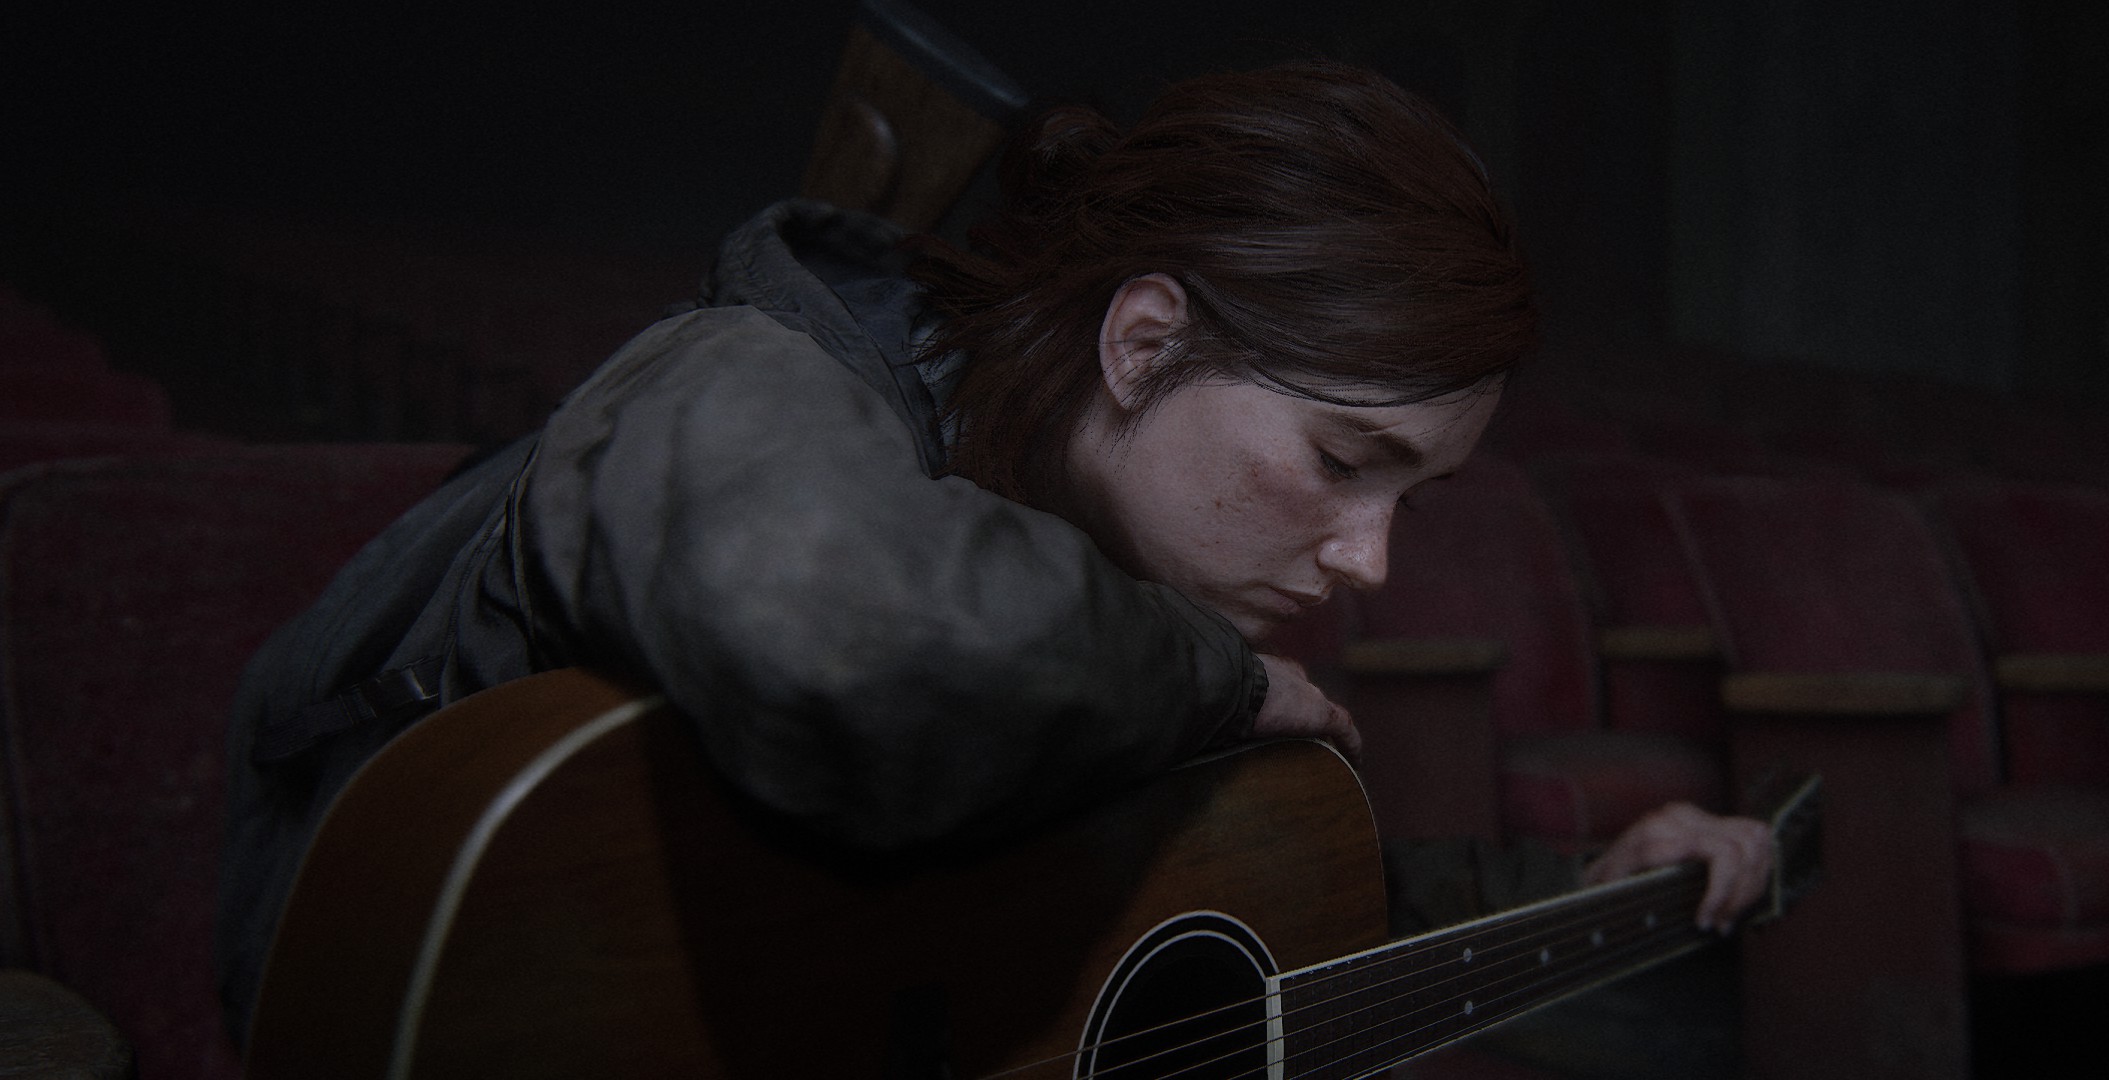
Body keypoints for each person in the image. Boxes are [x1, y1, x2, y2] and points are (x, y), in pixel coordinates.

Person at [215, 58, 1773, 1061]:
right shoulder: (735, 381)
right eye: (1340, 461)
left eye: (1411, 500)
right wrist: (1221, 683)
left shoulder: (1118, 588)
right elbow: (854, 643)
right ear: (1143, 343)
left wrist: (1574, 890)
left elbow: (1196, 899)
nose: (1367, 558)